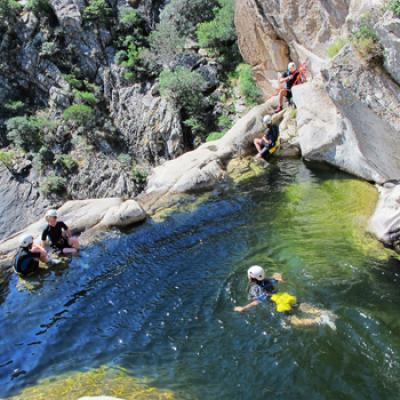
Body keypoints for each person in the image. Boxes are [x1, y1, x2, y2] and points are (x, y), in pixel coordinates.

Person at [234, 265, 337, 329]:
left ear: (251, 278)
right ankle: (327, 314)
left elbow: (256, 302)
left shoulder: (254, 289)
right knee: (300, 306)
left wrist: (243, 308)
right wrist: (280, 276)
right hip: (285, 297)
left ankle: (319, 320)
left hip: (279, 305)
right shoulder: (268, 280)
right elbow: (277, 277)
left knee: (296, 323)